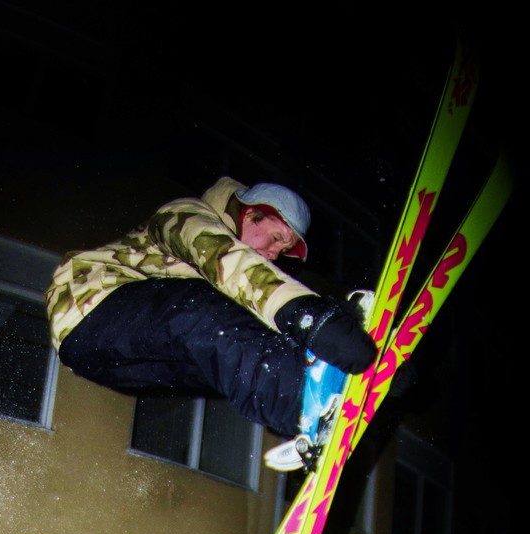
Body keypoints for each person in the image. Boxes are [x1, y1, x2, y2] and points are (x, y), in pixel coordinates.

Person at [45, 178, 378, 470]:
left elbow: (252, 314)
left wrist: (368, 364)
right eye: (276, 238)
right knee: (204, 313)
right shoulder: (185, 215)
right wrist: (311, 318)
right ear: (251, 214)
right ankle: (298, 398)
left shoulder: (226, 285)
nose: (275, 253)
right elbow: (227, 261)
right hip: (91, 304)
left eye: (283, 249)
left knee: (233, 349)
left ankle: (309, 394)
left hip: (112, 361)